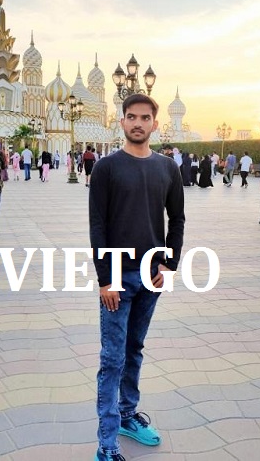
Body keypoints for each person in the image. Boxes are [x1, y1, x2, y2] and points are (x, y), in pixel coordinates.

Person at [89, 94, 185, 461]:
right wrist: (105, 279)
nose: (138, 123)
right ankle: (106, 443)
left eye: (145, 118)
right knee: (112, 358)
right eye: (131, 117)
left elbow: (177, 219)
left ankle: (128, 415)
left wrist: (170, 264)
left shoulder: (168, 168)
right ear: (122, 122)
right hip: (117, 278)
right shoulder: (107, 168)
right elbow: (98, 225)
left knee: (135, 349)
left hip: (151, 276)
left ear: (155, 124)